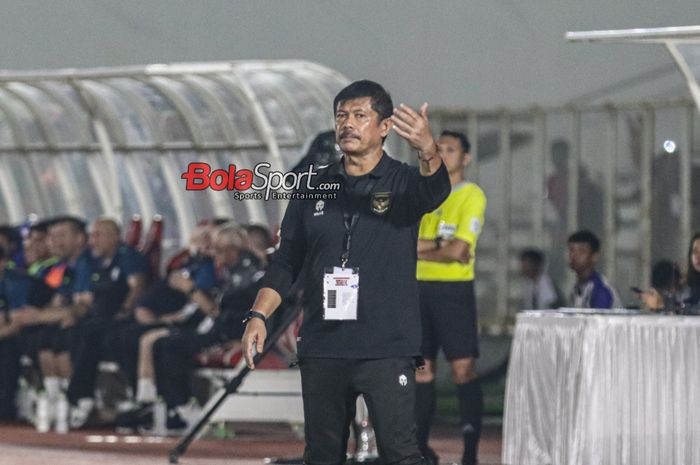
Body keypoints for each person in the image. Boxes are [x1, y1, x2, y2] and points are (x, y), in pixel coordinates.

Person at [242, 80, 450, 465]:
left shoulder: (403, 182)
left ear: (385, 127)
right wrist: (258, 316)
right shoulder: (313, 187)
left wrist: (426, 147)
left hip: (386, 347)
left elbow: (436, 190)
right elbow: (287, 260)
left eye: (359, 116)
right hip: (324, 345)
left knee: (401, 453)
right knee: (321, 455)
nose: (348, 124)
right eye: (341, 116)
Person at [414, 130, 486, 465]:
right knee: (421, 370)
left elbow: (459, 250)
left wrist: (422, 249)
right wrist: (439, 248)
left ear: (466, 158)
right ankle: (420, 450)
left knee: (463, 370)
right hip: (417, 289)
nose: (443, 153)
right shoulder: (421, 192)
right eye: (439, 148)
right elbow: (402, 242)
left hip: (453, 291)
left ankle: (469, 452)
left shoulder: (471, 195)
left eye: (451, 149)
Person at [567, 229, 621, 309]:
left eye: (582, 251)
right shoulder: (577, 288)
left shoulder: (600, 290)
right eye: (572, 250)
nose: (575, 256)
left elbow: (598, 320)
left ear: (594, 257)